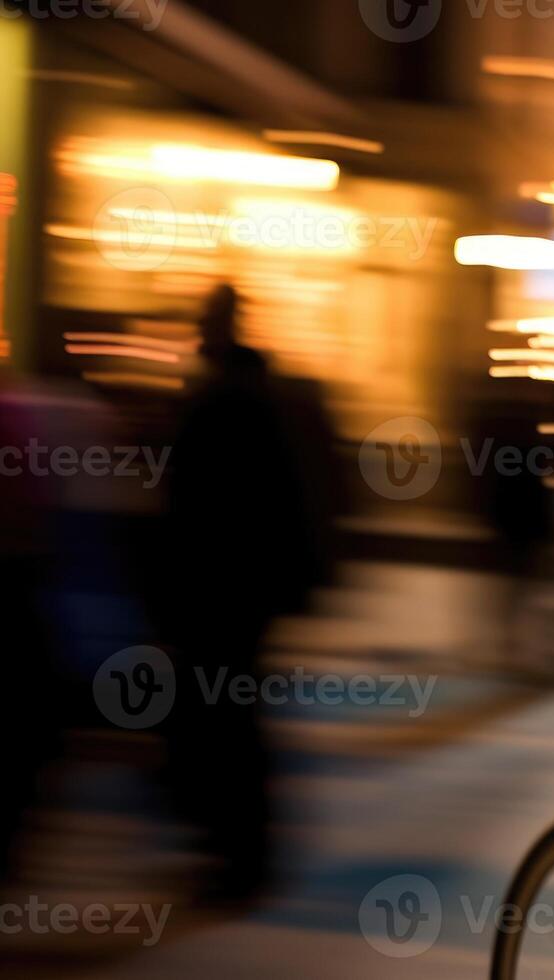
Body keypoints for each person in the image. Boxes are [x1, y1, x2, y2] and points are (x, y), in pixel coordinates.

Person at [158, 284, 335, 902]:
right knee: (234, 716)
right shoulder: (259, 396)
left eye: (203, 322)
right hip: (244, 586)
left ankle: (238, 856)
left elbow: (201, 502)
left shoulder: (224, 400)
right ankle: (240, 850)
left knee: (225, 720)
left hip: (221, 586)